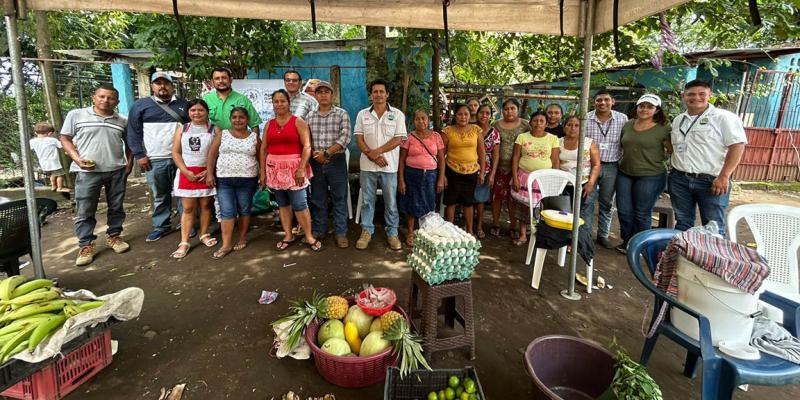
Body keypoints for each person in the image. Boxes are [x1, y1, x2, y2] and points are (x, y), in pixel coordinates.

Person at [60, 85, 132, 266]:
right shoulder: (77, 115)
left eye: (110, 98)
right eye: (102, 96)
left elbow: (130, 143)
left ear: (117, 102)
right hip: (87, 172)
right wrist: (76, 158)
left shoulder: (122, 120)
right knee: (85, 209)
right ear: (94, 97)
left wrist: (129, 163)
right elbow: (65, 138)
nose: (105, 100)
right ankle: (86, 244)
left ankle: (114, 236)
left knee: (116, 206)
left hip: (116, 170)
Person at [669, 80, 746, 235]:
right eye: (691, 94)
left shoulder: (724, 117)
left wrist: (724, 176)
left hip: (711, 181)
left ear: (710, 95)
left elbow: (737, 146)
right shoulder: (679, 120)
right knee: (683, 223)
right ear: (684, 96)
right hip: (680, 180)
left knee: (713, 227)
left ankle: (712, 252)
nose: (696, 97)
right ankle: (683, 251)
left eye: (701, 94)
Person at [127, 72, 190, 242]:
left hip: (182, 158)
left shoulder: (184, 105)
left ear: (172, 86)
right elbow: (133, 132)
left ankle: (186, 224)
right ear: (152, 86)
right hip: (154, 158)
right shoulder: (141, 106)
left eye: (166, 83)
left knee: (184, 193)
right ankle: (161, 225)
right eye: (158, 83)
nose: (162, 86)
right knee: (160, 195)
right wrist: (139, 155)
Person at [261, 90, 321, 251]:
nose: (279, 104)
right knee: (282, 204)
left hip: (294, 169)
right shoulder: (269, 124)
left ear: (288, 103)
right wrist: (263, 172)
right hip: (274, 169)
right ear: (272, 104)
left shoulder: (298, 122)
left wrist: (301, 168)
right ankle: (288, 235)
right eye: (276, 101)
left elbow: (307, 146)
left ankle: (309, 236)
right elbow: (264, 148)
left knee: (300, 203)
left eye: (282, 101)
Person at [614, 94, 672, 253]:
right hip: (625, 172)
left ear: (657, 110)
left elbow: (672, 150)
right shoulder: (628, 124)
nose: (644, 109)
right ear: (637, 107)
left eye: (649, 107)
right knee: (624, 210)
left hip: (651, 175)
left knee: (642, 212)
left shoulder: (664, 128)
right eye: (642, 106)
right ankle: (627, 242)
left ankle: (642, 246)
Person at [354, 78, 407, 250]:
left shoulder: (397, 114)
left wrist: (377, 152)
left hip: (389, 167)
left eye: (381, 91)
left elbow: (398, 139)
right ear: (371, 95)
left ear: (387, 94)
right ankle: (366, 231)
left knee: (391, 202)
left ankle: (392, 233)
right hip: (367, 166)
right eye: (375, 92)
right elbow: (359, 138)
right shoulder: (362, 114)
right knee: (367, 201)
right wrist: (372, 155)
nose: (378, 95)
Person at [205, 107, 262, 259]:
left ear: (247, 120)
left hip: (247, 179)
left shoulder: (254, 137)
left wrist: (263, 174)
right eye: (234, 117)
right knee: (227, 211)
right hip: (224, 180)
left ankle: (242, 237)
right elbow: (212, 155)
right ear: (230, 119)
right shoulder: (222, 134)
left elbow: (261, 156)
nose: (238, 120)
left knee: (244, 209)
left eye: (241, 117)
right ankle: (226, 244)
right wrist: (209, 174)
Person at [169, 99, 218, 259]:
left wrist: (209, 171)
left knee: (206, 206)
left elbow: (218, 152)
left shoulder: (214, 129)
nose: (197, 113)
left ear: (207, 112)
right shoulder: (182, 129)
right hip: (187, 173)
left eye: (200, 110)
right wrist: (185, 171)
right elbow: (175, 152)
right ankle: (184, 242)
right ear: (188, 112)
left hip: (206, 173)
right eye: (193, 110)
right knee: (188, 208)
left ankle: (204, 234)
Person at [306, 81, 351, 248]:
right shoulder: (309, 116)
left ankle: (341, 233)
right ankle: (319, 230)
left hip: (336, 161)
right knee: (318, 198)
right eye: (320, 92)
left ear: (332, 95)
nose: (323, 95)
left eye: (327, 92)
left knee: (339, 198)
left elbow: (345, 138)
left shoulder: (341, 114)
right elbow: (306, 140)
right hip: (316, 162)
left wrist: (326, 153)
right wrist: (314, 154)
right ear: (315, 95)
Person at [584, 90, 628, 249]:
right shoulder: (586, 118)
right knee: (587, 201)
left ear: (612, 101)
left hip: (612, 166)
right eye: (599, 100)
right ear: (594, 102)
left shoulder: (622, 119)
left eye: (606, 99)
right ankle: (585, 234)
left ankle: (603, 235)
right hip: (589, 166)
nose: (602, 103)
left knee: (607, 202)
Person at [510, 111, 560, 246]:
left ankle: (538, 235)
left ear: (546, 124)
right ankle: (522, 235)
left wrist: (554, 180)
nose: (538, 123)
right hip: (524, 177)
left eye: (541, 121)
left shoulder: (553, 139)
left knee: (541, 208)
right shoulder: (522, 137)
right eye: (535, 120)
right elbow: (515, 158)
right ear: (530, 122)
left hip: (543, 180)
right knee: (523, 207)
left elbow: (555, 160)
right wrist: (515, 177)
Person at [398, 109, 446, 246]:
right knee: (411, 203)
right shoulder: (409, 137)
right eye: (417, 119)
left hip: (430, 175)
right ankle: (410, 232)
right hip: (411, 175)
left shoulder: (436, 136)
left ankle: (427, 233)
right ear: (414, 121)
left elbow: (441, 160)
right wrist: (401, 180)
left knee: (429, 203)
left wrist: (441, 178)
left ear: (428, 120)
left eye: (423, 118)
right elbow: (401, 160)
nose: (421, 121)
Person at [443, 104, 486, 236]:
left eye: (466, 114)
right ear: (455, 116)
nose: (463, 117)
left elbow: (482, 152)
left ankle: (469, 231)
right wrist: (442, 175)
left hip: (471, 172)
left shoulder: (476, 130)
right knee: (451, 202)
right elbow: (441, 155)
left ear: (470, 116)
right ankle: (449, 231)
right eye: (460, 114)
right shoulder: (447, 131)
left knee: (468, 202)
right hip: (452, 170)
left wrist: (482, 172)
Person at [491, 98, 530, 238]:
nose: (509, 111)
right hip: (499, 167)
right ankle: (496, 224)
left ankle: (513, 226)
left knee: (513, 199)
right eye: (506, 109)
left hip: (518, 169)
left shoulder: (525, 125)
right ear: (502, 111)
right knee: (497, 197)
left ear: (518, 110)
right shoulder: (496, 125)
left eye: (512, 108)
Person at [559, 115, 600, 234]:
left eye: (577, 125)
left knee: (577, 213)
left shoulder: (589, 143)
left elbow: (596, 164)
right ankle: (562, 238)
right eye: (569, 125)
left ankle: (574, 239)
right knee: (562, 213)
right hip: (562, 183)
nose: (573, 128)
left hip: (581, 184)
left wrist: (591, 183)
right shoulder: (558, 141)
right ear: (564, 127)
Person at [203, 67, 262, 133]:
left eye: (224, 78)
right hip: (213, 138)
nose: (221, 81)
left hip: (238, 138)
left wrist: (255, 138)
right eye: (217, 78)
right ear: (212, 82)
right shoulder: (206, 99)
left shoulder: (242, 99)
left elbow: (254, 125)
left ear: (231, 80)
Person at [474, 104, 499, 239]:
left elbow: (496, 154)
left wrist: (492, 174)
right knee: (468, 198)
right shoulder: (471, 128)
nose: (484, 115)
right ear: (477, 114)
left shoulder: (494, 132)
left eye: (487, 113)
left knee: (481, 199)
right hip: (468, 168)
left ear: (490, 116)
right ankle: (467, 225)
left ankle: (479, 226)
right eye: (481, 112)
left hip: (486, 169)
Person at [30, 122, 67, 192]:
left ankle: (53, 186)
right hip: (54, 162)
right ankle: (60, 188)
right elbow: (61, 146)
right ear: (50, 133)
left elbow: (29, 148)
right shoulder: (52, 140)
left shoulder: (32, 141)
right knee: (60, 175)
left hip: (43, 163)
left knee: (52, 175)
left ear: (35, 132)